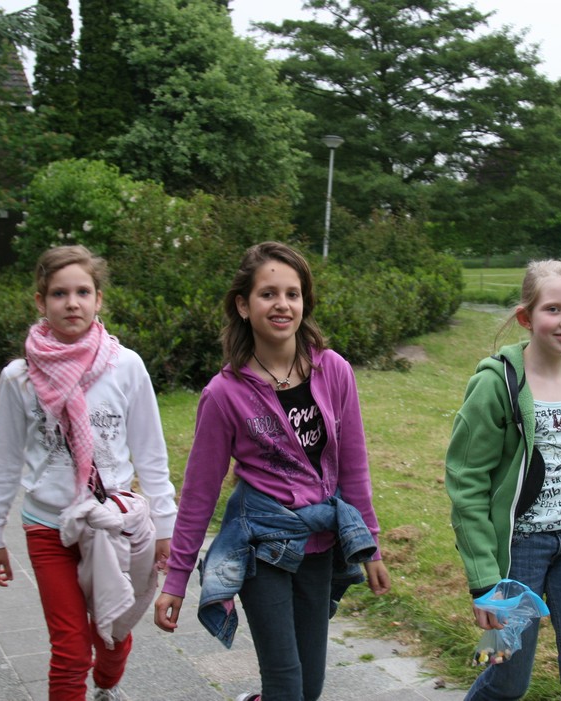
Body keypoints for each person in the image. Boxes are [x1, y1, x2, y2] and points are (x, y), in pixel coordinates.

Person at [154, 241, 391, 701]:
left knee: (310, 687)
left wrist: (372, 546)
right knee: (285, 684)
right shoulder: (224, 394)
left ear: (304, 303)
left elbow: (354, 468)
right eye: (268, 294)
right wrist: (176, 580)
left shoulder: (334, 371)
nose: (282, 304)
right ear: (243, 305)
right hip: (261, 547)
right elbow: (200, 494)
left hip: (319, 543)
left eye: (292, 294)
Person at [0, 245, 178, 701]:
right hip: (48, 528)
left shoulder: (125, 366)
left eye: (82, 292)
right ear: (40, 301)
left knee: (111, 634)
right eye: (59, 293)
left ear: (98, 298)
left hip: (114, 526)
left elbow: (151, 453)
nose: (72, 303)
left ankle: (107, 685)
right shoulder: (19, 377)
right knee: (70, 650)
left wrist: (166, 527)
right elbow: (4, 460)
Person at [445, 259, 561, 701]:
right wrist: (484, 582)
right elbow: (467, 482)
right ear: (526, 317)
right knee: (506, 682)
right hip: (517, 552)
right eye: (554, 309)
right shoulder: (497, 384)